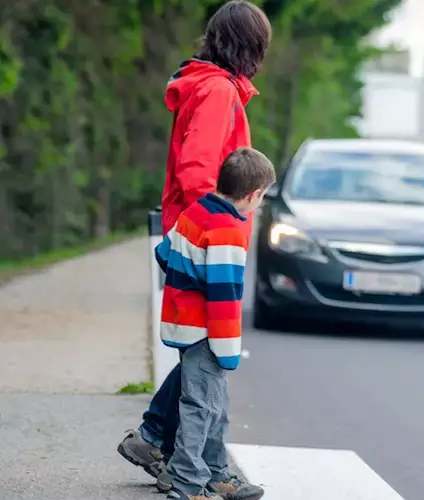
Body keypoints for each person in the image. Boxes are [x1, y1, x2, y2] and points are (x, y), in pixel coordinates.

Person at [116, 0, 271, 495]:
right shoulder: (218, 92)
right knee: (206, 353)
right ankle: (186, 465)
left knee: (200, 354)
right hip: (206, 239)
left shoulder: (209, 86)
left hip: (194, 232)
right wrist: (221, 226)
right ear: (250, 47)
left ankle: (159, 441)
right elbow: (198, 171)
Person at [155, 148, 276, 500]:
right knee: (200, 407)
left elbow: (164, 254)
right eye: (263, 196)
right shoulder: (228, 231)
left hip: (182, 322)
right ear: (252, 195)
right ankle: (186, 484)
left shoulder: (198, 210)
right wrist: (228, 350)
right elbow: (223, 298)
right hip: (206, 331)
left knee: (214, 404)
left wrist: (188, 275)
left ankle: (215, 474)